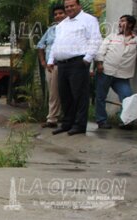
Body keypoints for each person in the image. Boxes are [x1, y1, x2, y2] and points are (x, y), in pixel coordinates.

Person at [46, 0, 101, 136]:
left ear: (79, 6)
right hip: (62, 64)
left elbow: (96, 39)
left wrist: (87, 58)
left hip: (78, 63)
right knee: (65, 96)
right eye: (67, 7)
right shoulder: (62, 24)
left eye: (72, 6)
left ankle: (79, 125)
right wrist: (51, 59)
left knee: (79, 96)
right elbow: (56, 43)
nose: (69, 8)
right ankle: (67, 124)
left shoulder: (88, 20)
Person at [94, 15, 137, 129]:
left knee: (127, 97)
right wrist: (99, 64)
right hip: (106, 71)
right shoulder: (112, 37)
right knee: (101, 96)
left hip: (122, 75)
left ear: (130, 24)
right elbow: (101, 50)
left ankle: (125, 121)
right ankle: (101, 121)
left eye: (123, 21)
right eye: (119, 21)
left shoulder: (136, 40)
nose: (119, 23)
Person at [37, 4, 67, 129]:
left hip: (67, 65)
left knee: (68, 92)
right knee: (53, 93)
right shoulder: (51, 30)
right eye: (56, 14)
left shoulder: (72, 28)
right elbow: (40, 45)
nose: (58, 16)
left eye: (61, 13)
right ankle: (52, 119)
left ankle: (69, 118)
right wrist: (43, 61)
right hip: (51, 66)